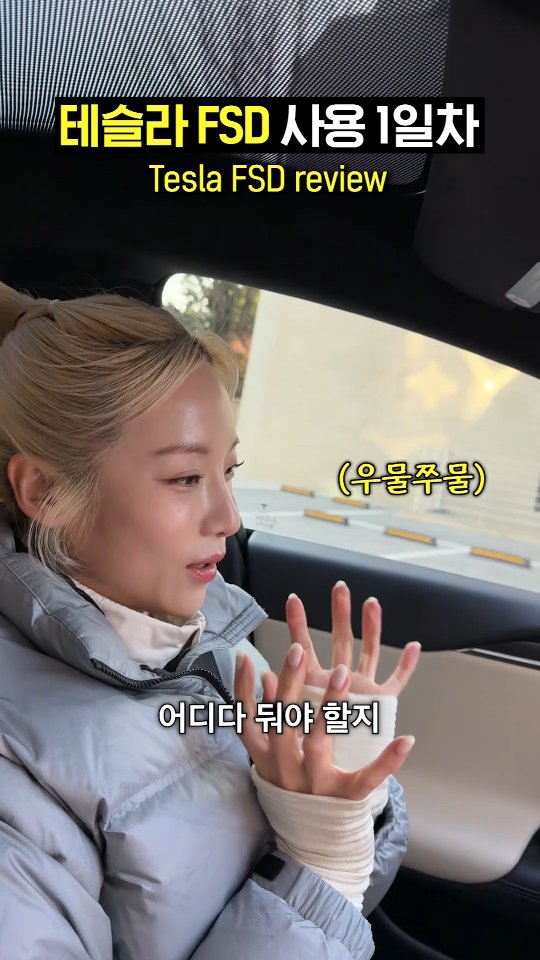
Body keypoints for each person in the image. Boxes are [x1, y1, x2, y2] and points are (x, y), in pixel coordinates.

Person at [0, 282, 421, 960]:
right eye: (185, 479)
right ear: (45, 491)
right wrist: (320, 866)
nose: (229, 517)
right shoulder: (16, 782)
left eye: (229, 471)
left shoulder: (212, 641)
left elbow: (341, 914)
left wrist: (342, 780)